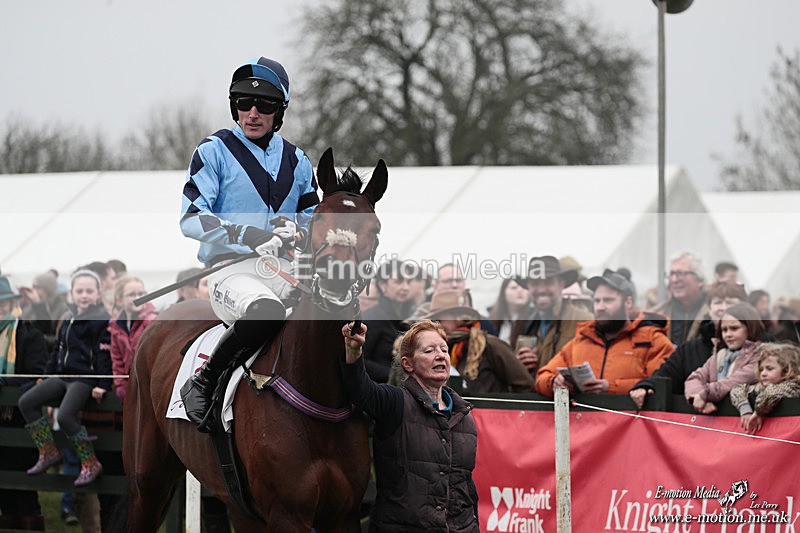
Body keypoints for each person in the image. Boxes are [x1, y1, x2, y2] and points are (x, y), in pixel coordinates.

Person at [179, 56, 319, 432]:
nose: (253, 112)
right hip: (231, 270)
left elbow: (315, 219)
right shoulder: (213, 151)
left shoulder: (299, 161)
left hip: (286, 268)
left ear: (280, 111)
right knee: (266, 313)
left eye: (265, 105)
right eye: (244, 103)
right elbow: (191, 218)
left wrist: (301, 233)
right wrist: (245, 234)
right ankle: (204, 381)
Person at [340, 319, 479, 532]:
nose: (440, 355)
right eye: (429, 351)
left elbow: (466, 488)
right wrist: (354, 350)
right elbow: (361, 389)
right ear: (408, 364)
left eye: (444, 349)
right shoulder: (395, 402)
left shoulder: (464, 416)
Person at [18, 270, 111, 487]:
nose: (84, 295)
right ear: (71, 293)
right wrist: (47, 374)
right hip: (62, 375)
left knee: (66, 416)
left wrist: (102, 384)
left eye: (89, 291)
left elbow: (103, 354)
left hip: (84, 378)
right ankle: (48, 450)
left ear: (98, 294)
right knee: (26, 402)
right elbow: (58, 350)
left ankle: (90, 462)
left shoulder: (101, 319)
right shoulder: (68, 318)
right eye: (80, 291)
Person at [535, 269, 673, 397]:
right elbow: (542, 376)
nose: (600, 307)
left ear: (628, 302)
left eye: (608, 300)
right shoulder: (581, 340)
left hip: (632, 422)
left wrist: (611, 388)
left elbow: (663, 385)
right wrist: (554, 383)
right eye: (597, 301)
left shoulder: (654, 340)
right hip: (584, 422)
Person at [629, 281, 748, 409]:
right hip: (696, 424)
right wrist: (646, 386)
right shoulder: (690, 350)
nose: (723, 308)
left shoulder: (760, 346)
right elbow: (666, 374)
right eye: (717, 302)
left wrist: (704, 394)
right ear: (710, 309)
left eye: (730, 302)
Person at [0, 276, 48, 531]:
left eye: (2, 303)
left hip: (22, 423)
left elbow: (37, 373)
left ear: (10, 304)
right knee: (4, 494)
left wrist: (5, 385)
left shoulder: (29, 333)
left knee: (26, 493)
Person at [423, 290, 534, 393]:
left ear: (458, 317)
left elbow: (526, 386)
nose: (435, 326)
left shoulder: (490, 345)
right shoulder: (442, 352)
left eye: (438, 320)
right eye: (432, 322)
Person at [512, 256, 593, 374]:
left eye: (548, 282)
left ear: (561, 284)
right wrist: (518, 365)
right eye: (535, 283)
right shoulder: (523, 324)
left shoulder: (585, 321)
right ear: (528, 287)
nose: (541, 289)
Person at [684, 303, 765, 414]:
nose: (728, 334)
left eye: (734, 328)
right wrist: (698, 397)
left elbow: (731, 384)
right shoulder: (718, 356)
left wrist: (704, 395)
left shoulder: (760, 357)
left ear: (750, 328)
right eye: (724, 330)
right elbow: (694, 378)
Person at [362, 259, 415, 383]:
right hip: (377, 392)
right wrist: (394, 374)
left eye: (408, 282)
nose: (405, 287)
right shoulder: (373, 317)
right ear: (382, 285)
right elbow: (359, 360)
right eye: (399, 281)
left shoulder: (405, 320)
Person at [730, 343, 800, 434]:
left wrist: (758, 412)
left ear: (786, 371)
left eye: (769, 369)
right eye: (761, 369)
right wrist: (745, 410)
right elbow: (736, 389)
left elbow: (772, 393)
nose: (763, 373)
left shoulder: (793, 386)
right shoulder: (760, 387)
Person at [109, 276, 158, 403]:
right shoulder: (115, 325)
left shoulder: (152, 321)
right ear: (120, 299)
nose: (138, 298)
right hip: (130, 384)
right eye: (131, 294)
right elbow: (117, 358)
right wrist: (120, 385)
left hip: (150, 385)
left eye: (141, 293)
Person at [652, 250, 709, 345]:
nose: (674, 280)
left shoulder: (715, 315)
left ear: (700, 280)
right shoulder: (657, 314)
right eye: (671, 274)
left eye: (681, 274)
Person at [20, 270, 69, 350]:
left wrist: (41, 339)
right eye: (33, 287)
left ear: (48, 290)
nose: (34, 291)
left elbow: (62, 337)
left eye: (38, 288)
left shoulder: (63, 309)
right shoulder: (31, 307)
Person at [488, 277, 534, 345]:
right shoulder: (493, 319)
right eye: (514, 288)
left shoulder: (535, 318)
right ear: (503, 292)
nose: (520, 290)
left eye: (524, 287)